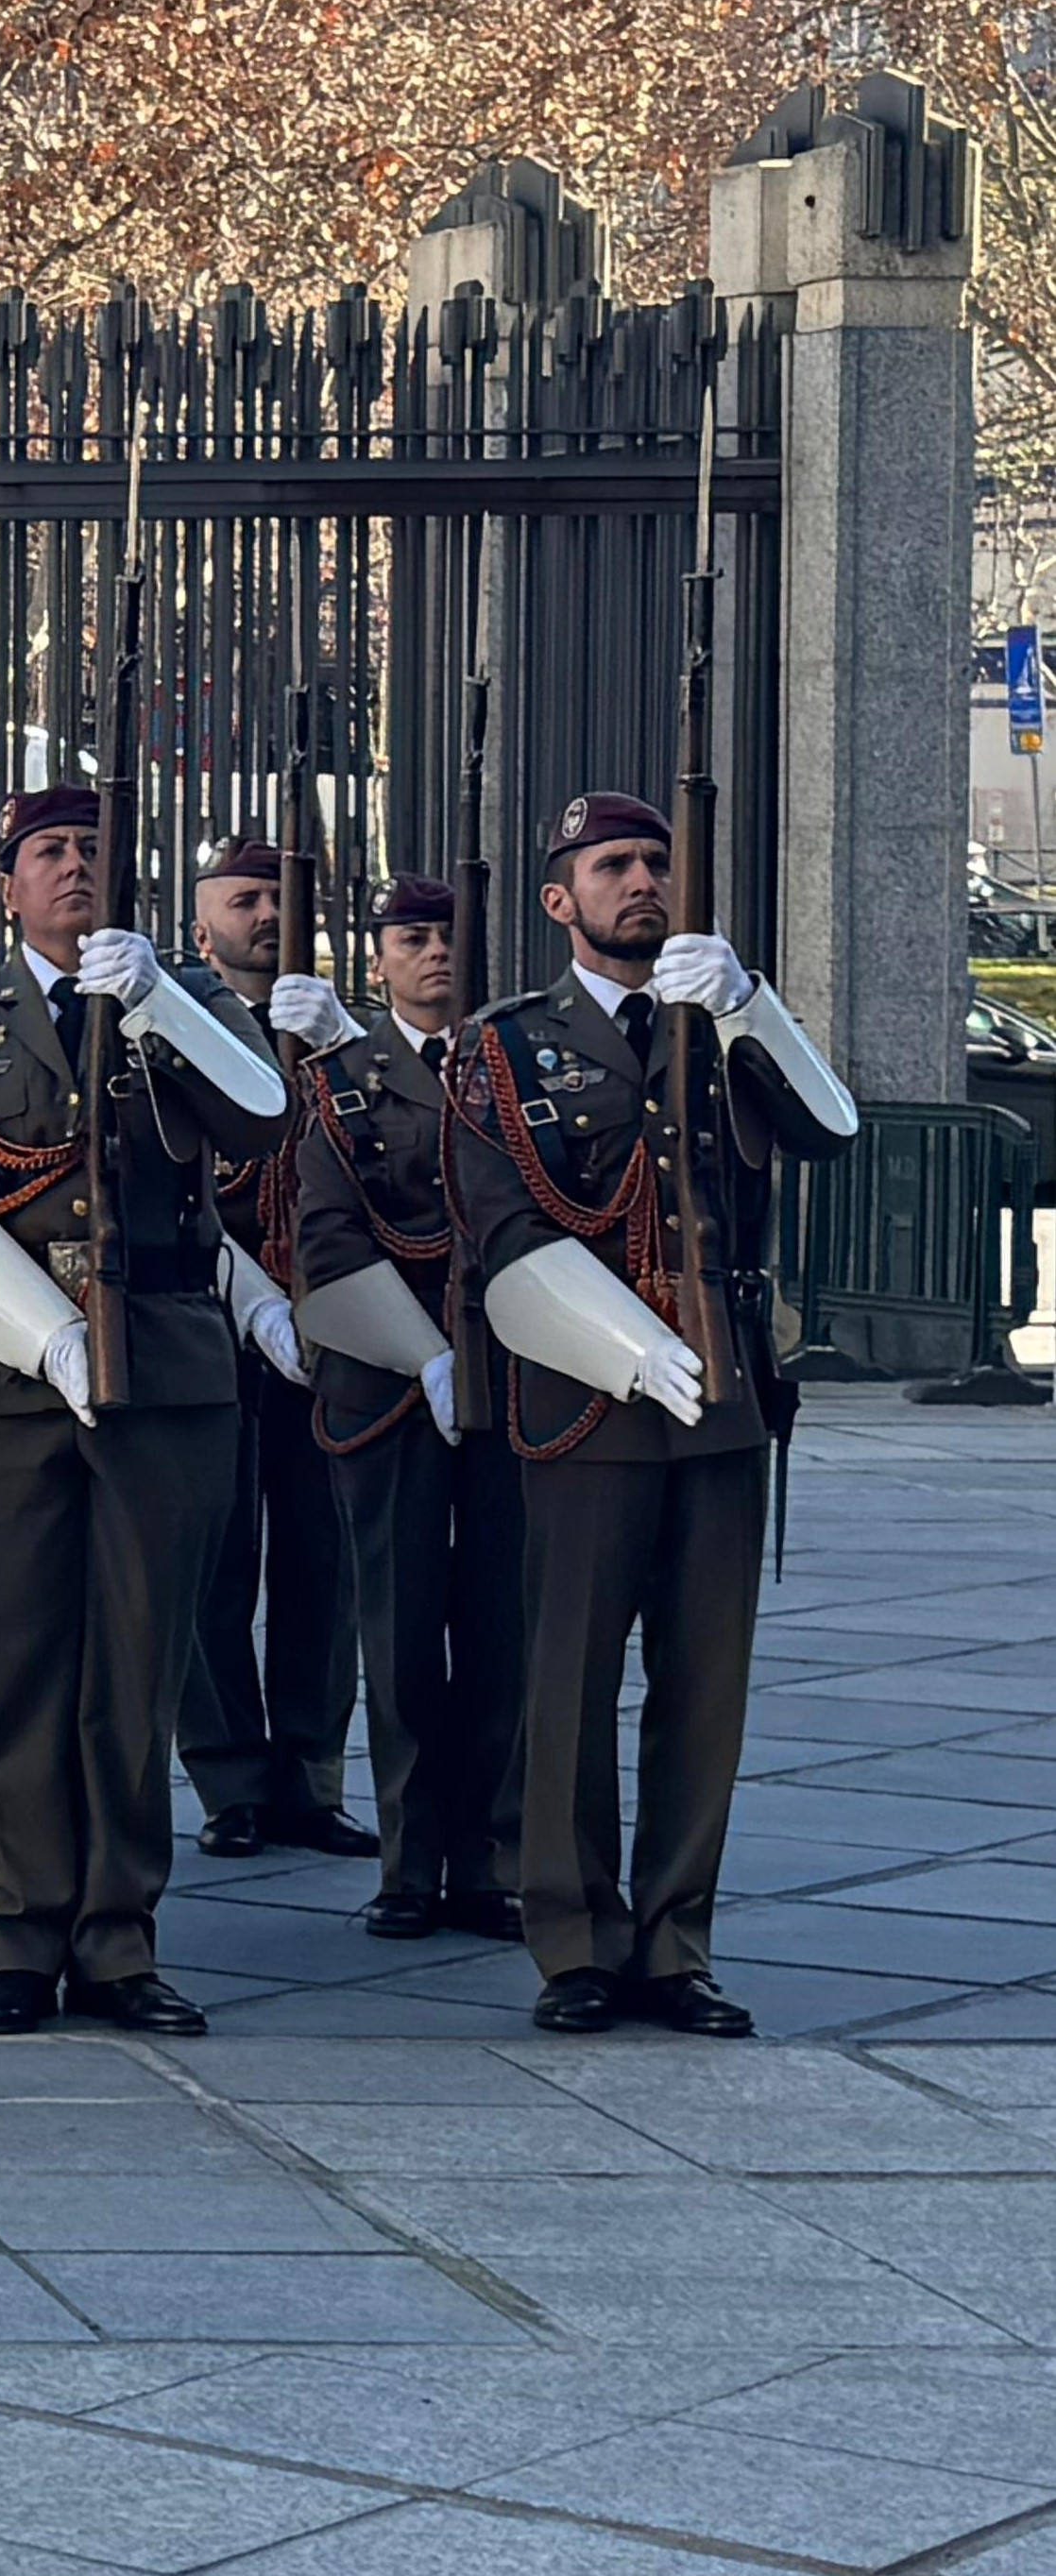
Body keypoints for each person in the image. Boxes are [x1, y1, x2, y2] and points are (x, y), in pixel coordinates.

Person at [0, 783, 287, 2036]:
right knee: (12, 1667)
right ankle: (17, 1933)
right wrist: (38, 1329)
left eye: (94, 851)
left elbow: (261, 1119)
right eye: (48, 853)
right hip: (3, 1378)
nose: (72, 870)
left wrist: (159, 1000)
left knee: (133, 1668)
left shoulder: (187, 1000)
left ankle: (117, 1937)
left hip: (161, 1366)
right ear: (6, 888)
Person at [444, 793, 857, 2035]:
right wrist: (621, 1346)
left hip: (723, 1403)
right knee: (566, 1676)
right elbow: (497, 1223)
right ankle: (573, 1939)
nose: (642, 882)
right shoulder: (507, 1045)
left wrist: (751, 1006)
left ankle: (674, 1941)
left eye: (656, 863)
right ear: (558, 899)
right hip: (584, 1401)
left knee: (703, 1685)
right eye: (611, 865)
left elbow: (828, 1131)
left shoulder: (720, 1018)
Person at [272, 877, 521, 1943]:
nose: (434, 954)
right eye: (412, 938)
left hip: (516, 1375)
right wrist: (422, 1356)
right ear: (374, 961)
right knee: (403, 1627)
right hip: (389, 1382)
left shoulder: (519, 1065)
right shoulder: (343, 1082)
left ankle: (495, 1860)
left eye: (450, 935)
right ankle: (411, 1861)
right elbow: (324, 1235)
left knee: (508, 1628)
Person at [180, 832, 368, 1861]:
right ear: (200, 922)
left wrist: (342, 1050)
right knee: (212, 1564)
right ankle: (226, 1778)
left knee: (320, 1562)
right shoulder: (170, 1025)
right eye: (244, 898)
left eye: (281, 898)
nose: (266, 915)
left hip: (330, 1326)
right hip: (212, 1319)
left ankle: (309, 1773)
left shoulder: (348, 1032)